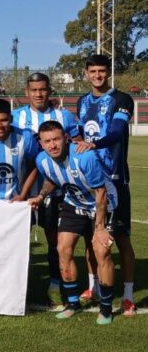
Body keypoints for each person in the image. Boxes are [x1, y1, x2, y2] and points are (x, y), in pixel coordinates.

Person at [28, 121, 118, 324]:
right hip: (74, 203)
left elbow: (101, 193)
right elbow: (52, 179)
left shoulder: (84, 156)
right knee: (63, 249)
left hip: (103, 204)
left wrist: (100, 228)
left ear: (66, 138)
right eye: (47, 141)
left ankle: (106, 308)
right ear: (41, 144)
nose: (53, 145)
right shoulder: (42, 160)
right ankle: (73, 303)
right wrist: (41, 196)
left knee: (101, 250)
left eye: (56, 139)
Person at [11, 72, 80, 308]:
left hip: (57, 192)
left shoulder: (64, 116)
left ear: (50, 90)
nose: (38, 94)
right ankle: (18, 289)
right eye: (34, 90)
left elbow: (77, 145)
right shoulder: (15, 117)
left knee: (55, 243)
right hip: (23, 192)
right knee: (17, 243)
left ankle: (54, 287)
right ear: (26, 93)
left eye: (42, 89)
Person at [75, 54, 137, 316]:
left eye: (102, 71)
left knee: (121, 239)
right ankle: (93, 287)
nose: (97, 75)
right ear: (86, 73)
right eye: (93, 71)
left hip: (115, 179)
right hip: (89, 180)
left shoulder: (122, 99)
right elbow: (79, 134)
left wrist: (94, 144)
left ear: (108, 72)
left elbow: (116, 132)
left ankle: (128, 296)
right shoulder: (82, 101)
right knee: (91, 237)